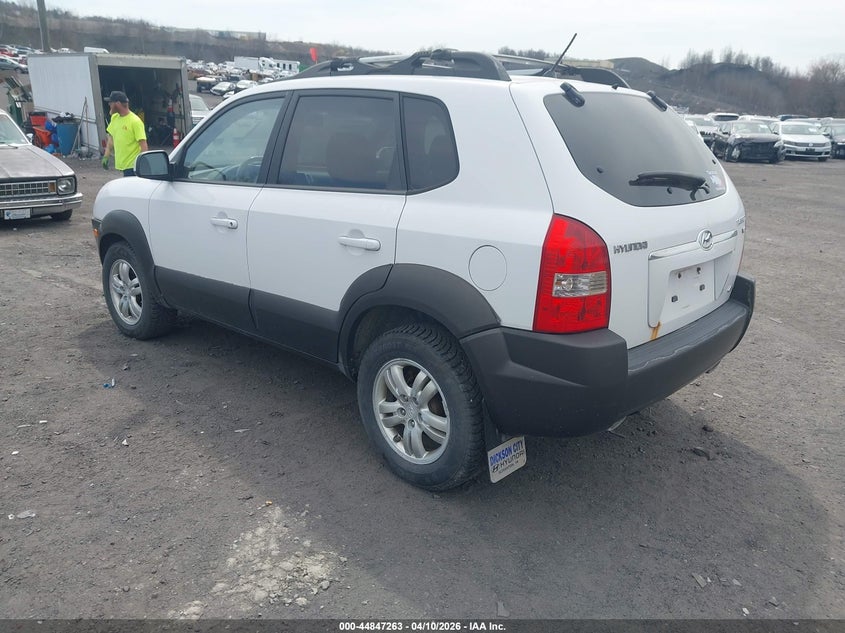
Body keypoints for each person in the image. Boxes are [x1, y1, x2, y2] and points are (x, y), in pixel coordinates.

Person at [101, 91, 148, 176]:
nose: (109, 105)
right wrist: (106, 156)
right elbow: (111, 139)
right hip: (122, 166)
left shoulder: (135, 121)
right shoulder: (115, 117)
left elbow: (143, 145)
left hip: (133, 167)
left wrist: (142, 166)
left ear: (118, 104)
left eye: (111, 103)